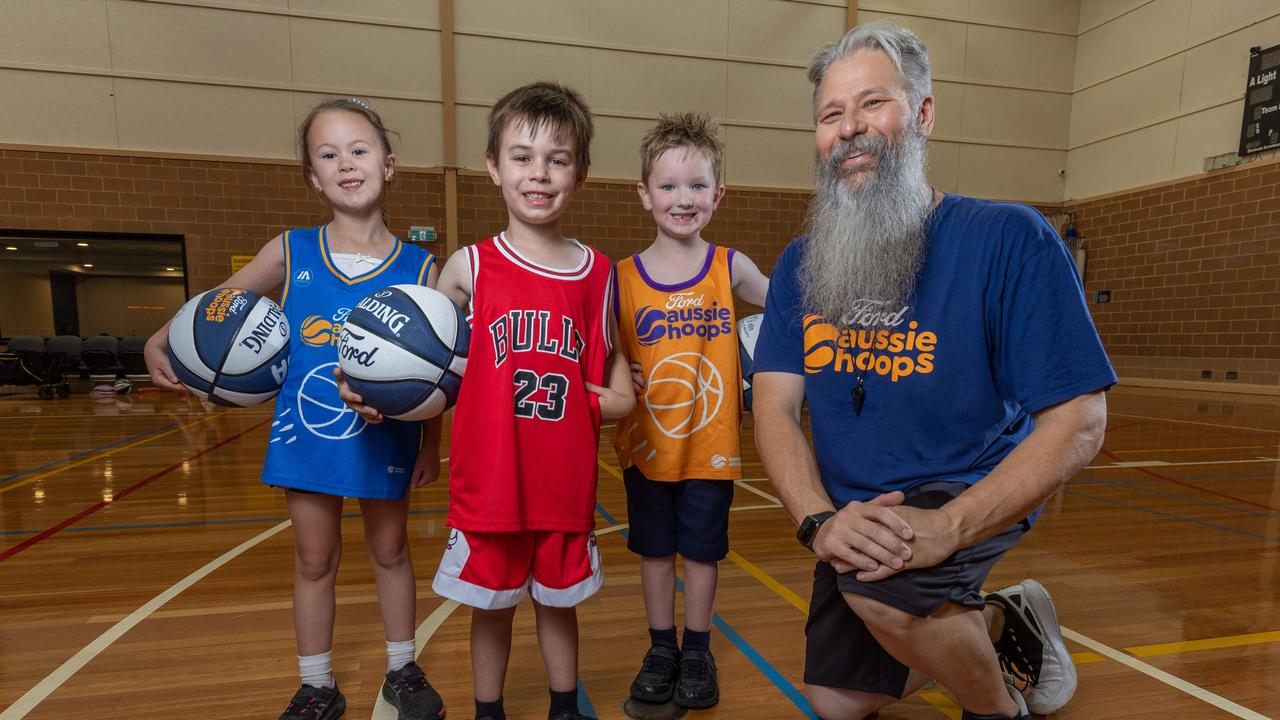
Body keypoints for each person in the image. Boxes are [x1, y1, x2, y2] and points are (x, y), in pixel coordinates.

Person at [750, 22, 1116, 720]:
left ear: (922, 114)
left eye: (872, 104)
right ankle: (1009, 622)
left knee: (874, 591)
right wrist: (818, 522)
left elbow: (1079, 420)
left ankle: (999, 712)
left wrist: (948, 526)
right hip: (856, 505)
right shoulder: (803, 262)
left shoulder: (1010, 238)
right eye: (832, 115)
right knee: (835, 702)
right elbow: (772, 408)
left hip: (966, 480)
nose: (850, 129)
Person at [145, 97, 446, 720]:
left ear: (389, 164)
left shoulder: (422, 266)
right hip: (304, 435)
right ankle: (317, 685)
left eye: (359, 150)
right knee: (314, 560)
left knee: (391, 553)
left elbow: (436, 372)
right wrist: (161, 337)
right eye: (328, 154)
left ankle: (402, 670)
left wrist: (431, 445)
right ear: (313, 176)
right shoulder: (289, 250)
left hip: (386, 437)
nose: (346, 163)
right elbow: (214, 309)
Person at [342, 82, 634, 720]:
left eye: (557, 159)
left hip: (562, 480)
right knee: (491, 609)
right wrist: (380, 398)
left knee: (559, 605)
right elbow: (424, 375)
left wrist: (599, 399)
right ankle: (489, 710)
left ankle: (564, 707)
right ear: (493, 167)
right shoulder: (468, 267)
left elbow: (620, 391)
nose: (539, 172)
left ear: (580, 174)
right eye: (522, 156)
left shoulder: (599, 274)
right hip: (491, 481)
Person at [611, 113, 768, 709]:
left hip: (712, 445)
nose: (684, 199)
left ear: (718, 196)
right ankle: (661, 646)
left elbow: (787, 306)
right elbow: (600, 351)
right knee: (655, 551)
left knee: (702, 552)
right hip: (646, 444)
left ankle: (697, 646)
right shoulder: (619, 279)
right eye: (670, 186)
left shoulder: (730, 267)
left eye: (698, 186)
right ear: (645, 195)